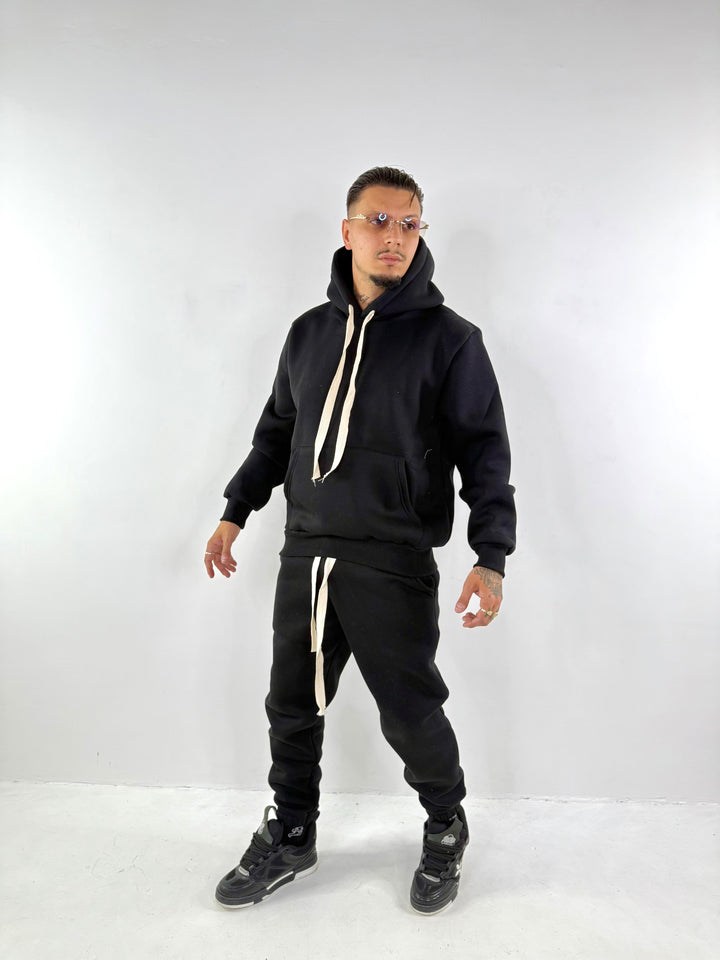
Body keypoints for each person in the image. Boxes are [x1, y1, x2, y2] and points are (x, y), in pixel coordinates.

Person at [205, 166, 516, 915]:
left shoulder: (451, 341)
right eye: (378, 221)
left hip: (391, 556)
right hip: (307, 549)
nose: (394, 237)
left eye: (410, 223)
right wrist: (236, 509)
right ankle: (293, 833)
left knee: (409, 710)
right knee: (291, 705)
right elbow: (277, 433)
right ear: (347, 231)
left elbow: (485, 453)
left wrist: (491, 556)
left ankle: (445, 824)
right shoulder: (308, 334)